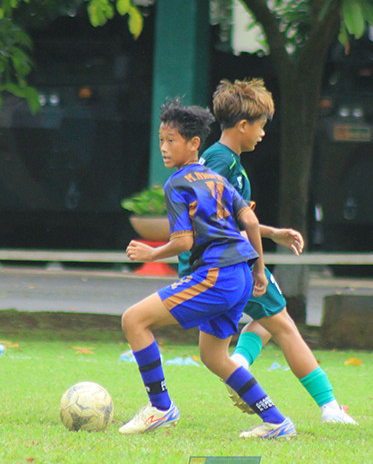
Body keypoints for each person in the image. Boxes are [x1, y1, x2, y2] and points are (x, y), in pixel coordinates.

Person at [119, 100, 295, 439]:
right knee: (214, 356)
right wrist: (258, 270)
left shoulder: (177, 184)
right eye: (161, 140)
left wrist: (151, 253)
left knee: (134, 320)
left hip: (217, 275)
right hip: (240, 275)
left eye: (171, 141)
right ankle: (277, 422)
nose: (164, 149)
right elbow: (251, 221)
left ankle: (160, 407)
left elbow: (183, 242)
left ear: (194, 143)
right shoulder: (215, 178)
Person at [186, 78, 354, 424]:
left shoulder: (223, 160)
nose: (263, 133)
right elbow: (210, 217)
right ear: (243, 125)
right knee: (284, 326)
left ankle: (241, 366)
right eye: (261, 126)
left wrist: (272, 232)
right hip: (232, 263)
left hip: (220, 262)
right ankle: (330, 408)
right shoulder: (222, 163)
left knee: (238, 338)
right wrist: (258, 265)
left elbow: (227, 216)